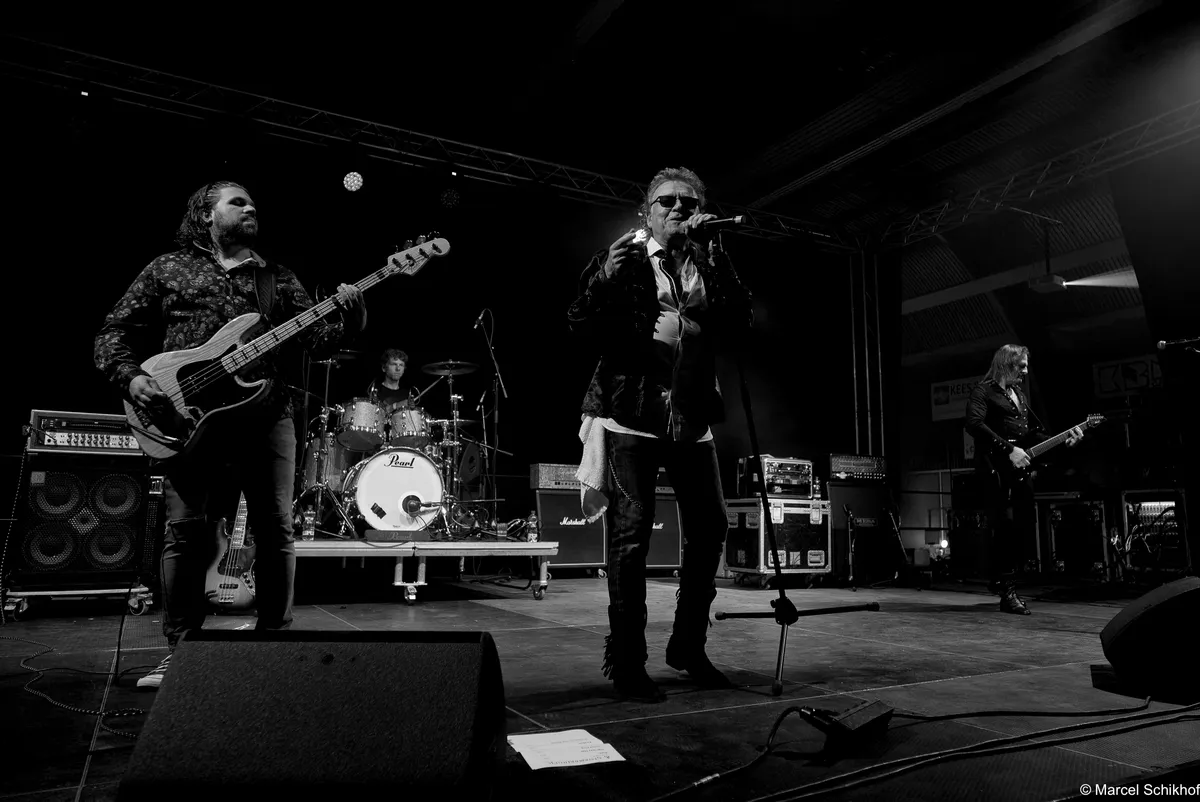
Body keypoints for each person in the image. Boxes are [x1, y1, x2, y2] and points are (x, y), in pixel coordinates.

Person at [94, 180, 367, 688]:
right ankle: (181, 652)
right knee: (185, 531)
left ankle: (275, 644)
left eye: (253, 203)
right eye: (237, 202)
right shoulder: (168, 267)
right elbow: (113, 332)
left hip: (266, 414)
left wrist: (351, 314)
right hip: (184, 416)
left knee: (276, 530)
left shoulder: (275, 278)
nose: (251, 207)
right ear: (205, 214)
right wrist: (131, 378)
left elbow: (317, 342)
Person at [568, 166, 753, 702]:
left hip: (691, 415)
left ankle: (688, 646)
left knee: (711, 528)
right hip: (630, 414)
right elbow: (578, 323)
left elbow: (740, 320)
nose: (678, 209)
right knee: (631, 541)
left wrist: (716, 255)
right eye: (667, 201)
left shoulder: (706, 260)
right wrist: (603, 277)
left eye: (688, 203)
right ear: (646, 212)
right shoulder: (622, 258)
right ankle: (628, 662)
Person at [965, 344, 1083, 615]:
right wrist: (1010, 450)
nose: (1026, 371)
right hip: (995, 470)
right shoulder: (983, 392)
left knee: (1024, 527)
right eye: (1021, 366)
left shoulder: (1018, 395)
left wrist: (1064, 441)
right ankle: (1007, 592)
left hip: (1019, 473)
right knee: (1004, 527)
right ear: (1005, 364)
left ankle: (1000, 578)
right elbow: (974, 424)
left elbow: (1030, 436)